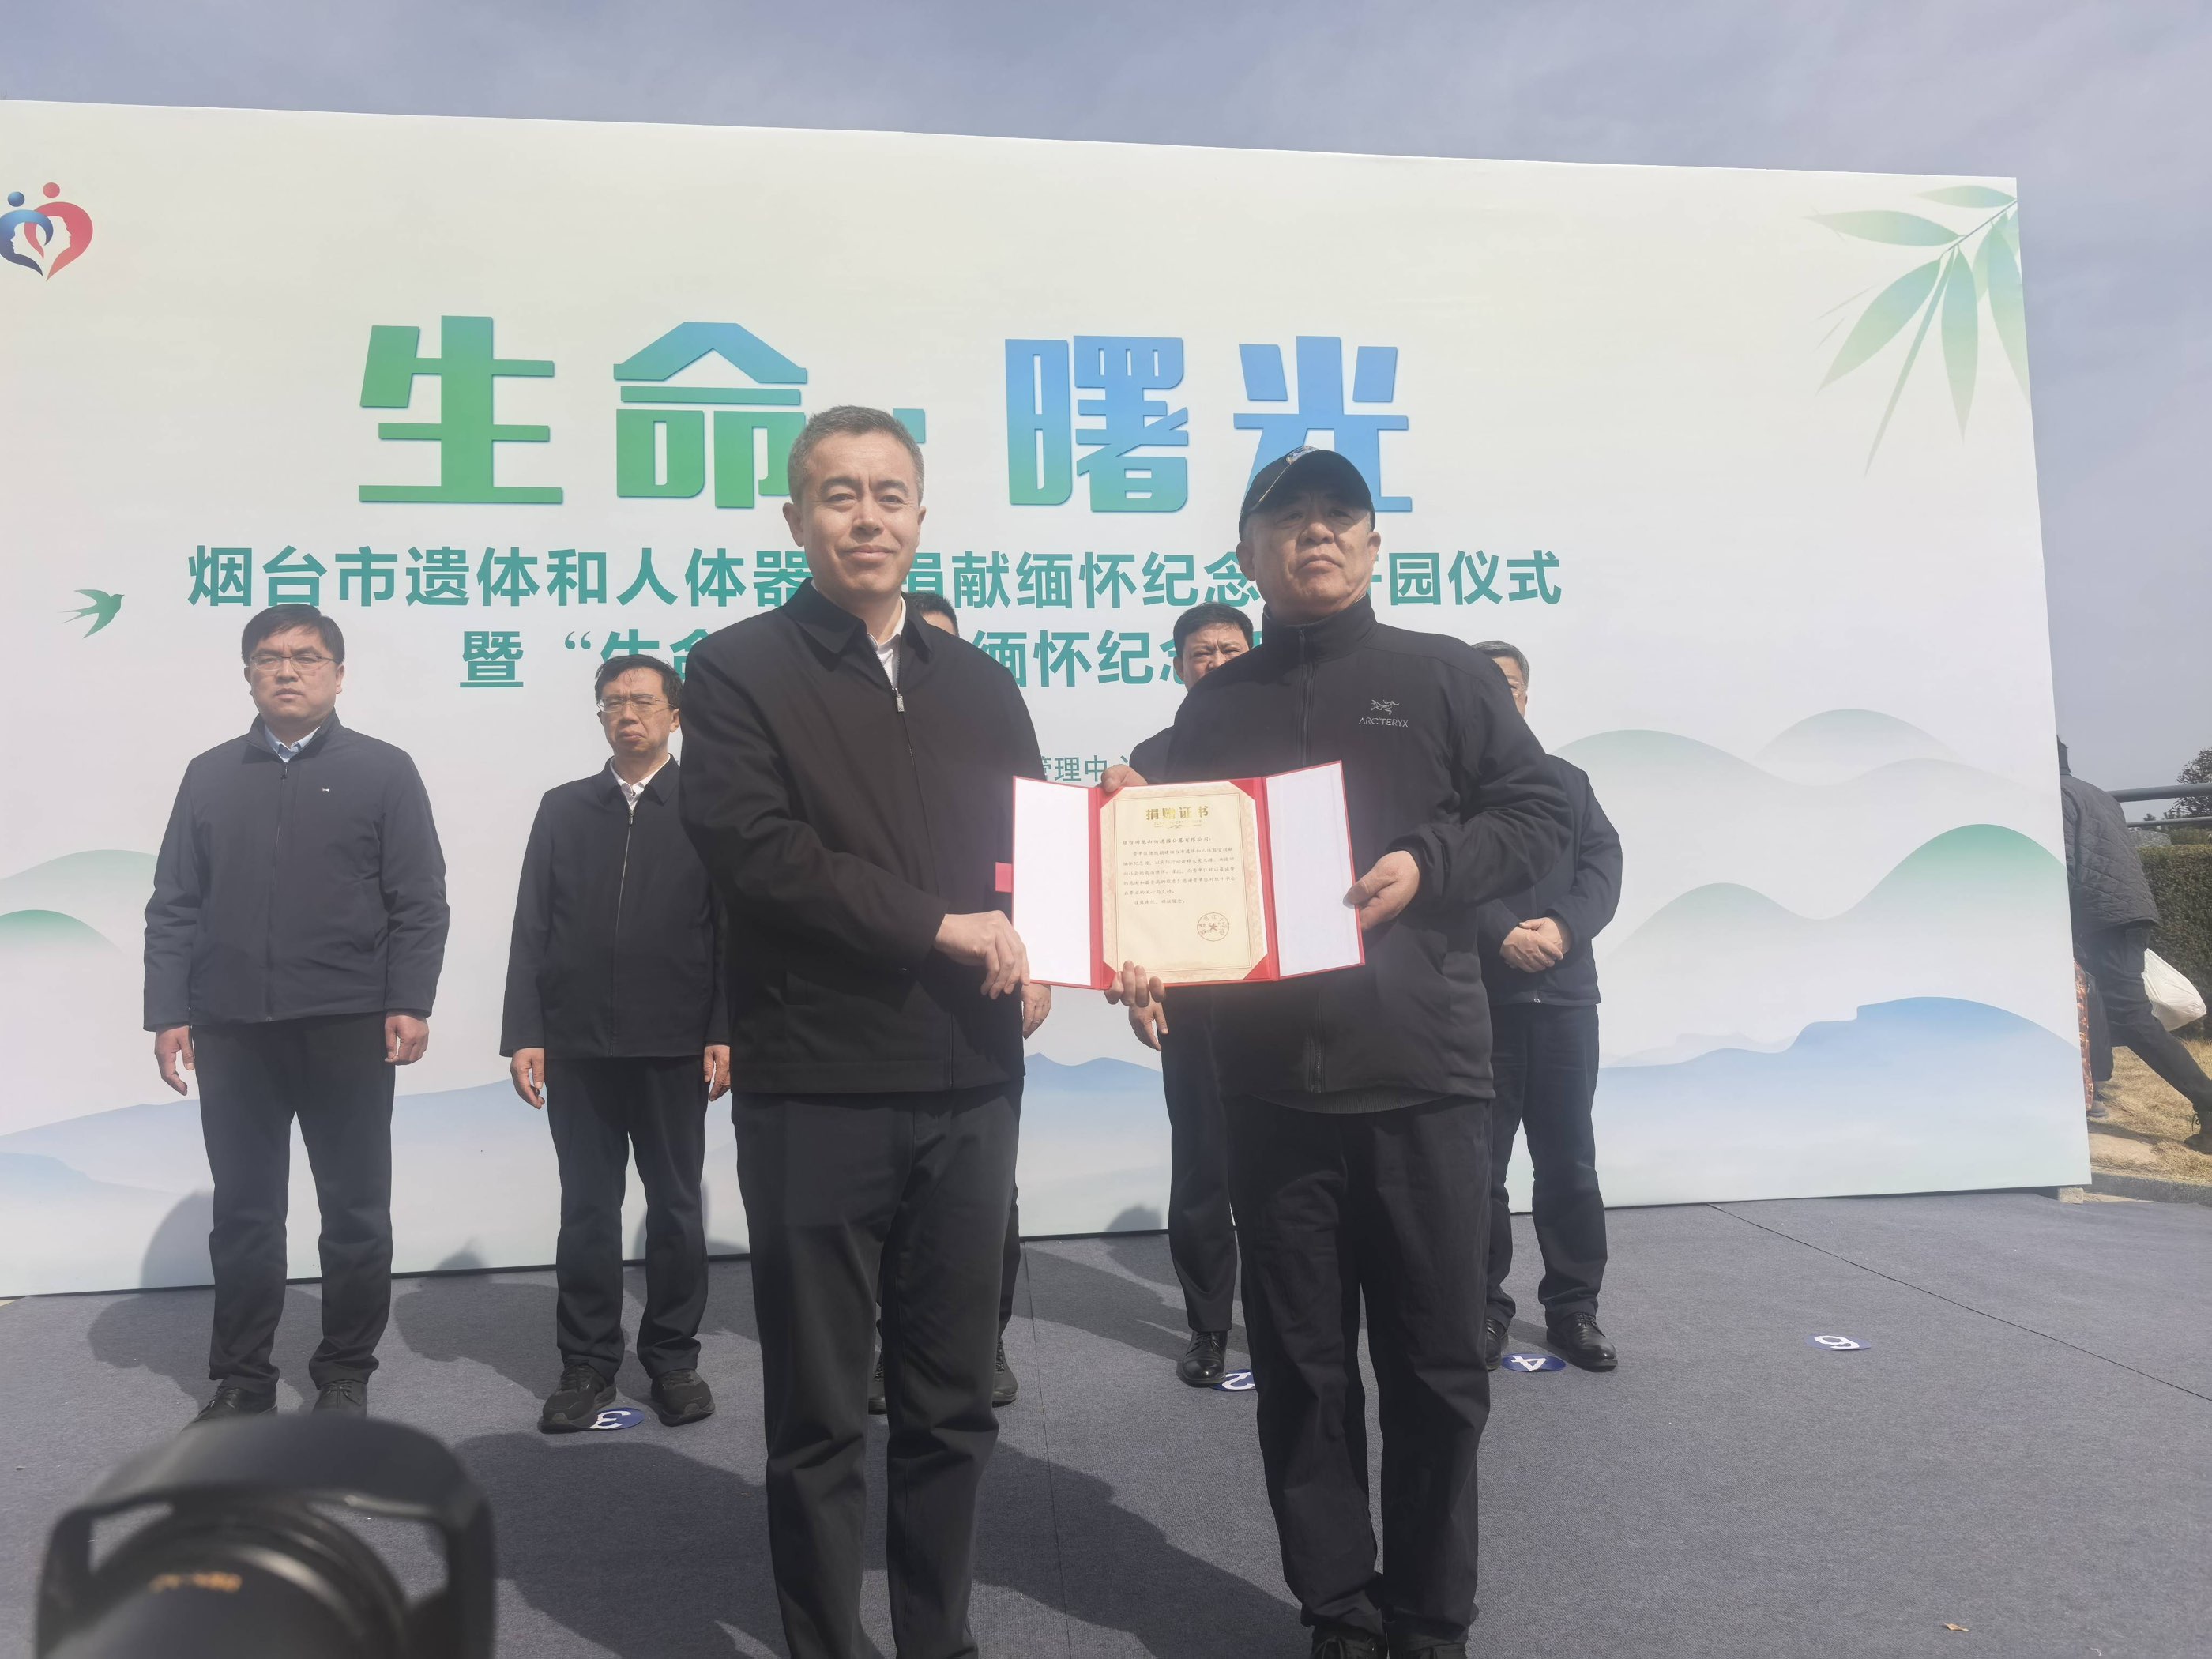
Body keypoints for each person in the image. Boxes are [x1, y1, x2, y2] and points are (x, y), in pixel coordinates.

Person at [1107, 447, 1569, 1659]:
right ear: (1247, 553)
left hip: (1424, 1077)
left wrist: (1429, 863)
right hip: (1269, 1089)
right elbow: (1177, 879)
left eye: (1337, 516)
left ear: (1371, 545)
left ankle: (1429, 1616)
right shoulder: (1216, 709)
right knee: (1303, 1372)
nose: (1315, 533)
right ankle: (1340, 1610)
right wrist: (1140, 943)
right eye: (1288, 517)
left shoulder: (1443, 674)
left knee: (1436, 1366)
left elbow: (1539, 816)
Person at [679, 406, 1049, 1659]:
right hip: (817, 1082)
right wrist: (938, 925)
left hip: (971, 1082)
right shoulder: (737, 668)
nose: (867, 516)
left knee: (952, 1404)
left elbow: (1028, 852)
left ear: (922, 516)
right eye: (839, 495)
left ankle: (938, 1639)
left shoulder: (981, 684)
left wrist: (1064, 929)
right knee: (822, 1412)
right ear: (797, 519)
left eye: (890, 494)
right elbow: (756, 851)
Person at [145, 604, 449, 1424]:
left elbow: (418, 899)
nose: (288, 670)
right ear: (247, 674)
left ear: (338, 675)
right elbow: (175, 902)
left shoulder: (383, 770)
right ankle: (242, 1377)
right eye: (269, 657)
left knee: (354, 1210)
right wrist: (169, 1010)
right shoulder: (210, 774)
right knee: (245, 1212)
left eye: (307, 657)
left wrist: (409, 999)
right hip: (233, 1026)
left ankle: (344, 1372)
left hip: (348, 1022)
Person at [501, 654, 732, 1433]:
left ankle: (672, 1359)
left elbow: (731, 931)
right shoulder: (565, 808)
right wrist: (526, 1032)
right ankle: (587, 1364)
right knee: (587, 1212)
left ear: (676, 717)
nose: (626, 714)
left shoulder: (708, 807)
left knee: (675, 1209)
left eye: (642, 701)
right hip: (577, 1046)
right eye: (611, 703)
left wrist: (723, 1029)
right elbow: (532, 924)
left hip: (674, 1043)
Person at [871, 585, 1029, 1416]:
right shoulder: (859, 758)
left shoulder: (990, 719)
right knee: (882, 1209)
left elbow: (1030, 849)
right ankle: (891, 1349)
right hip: (875, 1021)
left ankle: (982, 1343)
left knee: (985, 1209)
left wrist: (1042, 958)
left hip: (980, 1017)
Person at [1471, 641, 1623, 1372]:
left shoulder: (1568, 782)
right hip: (1481, 1002)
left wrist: (1561, 929)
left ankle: (1574, 1309)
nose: (1499, 696)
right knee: (1480, 1169)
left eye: (1509, 684)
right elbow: (1443, 878)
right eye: (1483, 685)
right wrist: (1500, 933)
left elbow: (1602, 868)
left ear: (1526, 697)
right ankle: (1482, 1307)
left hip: (1565, 1001)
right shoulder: (1448, 788)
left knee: (1569, 1164)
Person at [1126, 601, 1254, 1386]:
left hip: (1285, 995)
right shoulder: (1153, 756)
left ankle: (1287, 1321)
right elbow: (1135, 883)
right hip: (1194, 998)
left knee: (1289, 1172)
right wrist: (1140, 980)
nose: (1216, 662)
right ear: (1177, 665)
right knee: (1203, 1165)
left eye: (1231, 650)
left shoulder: (1292, 741)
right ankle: (1209, 1328)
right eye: (1201, 652)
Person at [2059, 741, 2212, 1151]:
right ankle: (2092, 1092)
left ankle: (2208, 1100)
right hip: (2126, 912)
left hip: (2102, 917)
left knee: (2130, 1017)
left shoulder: (2055, 796)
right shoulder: (2097, 794)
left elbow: (2062, 865)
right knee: (2098, 1007)